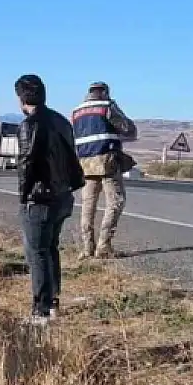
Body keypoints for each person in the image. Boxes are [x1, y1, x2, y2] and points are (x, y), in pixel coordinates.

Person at [14, 74, 85, 323]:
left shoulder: (30, 124)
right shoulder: (61, 121)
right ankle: (53, 302)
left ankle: (41, 310)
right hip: (63, 196)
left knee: (37, 253)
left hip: (41, 198)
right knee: (51, 248)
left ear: (22, 98)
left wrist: (24, 196)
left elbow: (26, 163)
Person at [71, 81, 138, 260]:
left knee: (88, 205)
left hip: (84, 163)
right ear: (105, 92)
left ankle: (86, 248)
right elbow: (128, 129)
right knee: (116, 201)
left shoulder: (76, 111)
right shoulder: (107, 106)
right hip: (106, 160)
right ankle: (104, 245)